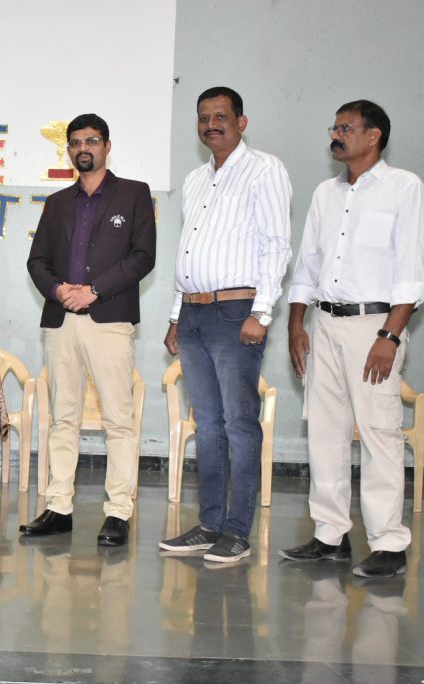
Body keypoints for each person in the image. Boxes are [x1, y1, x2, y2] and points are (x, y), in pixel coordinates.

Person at [280, 100, 424, 579]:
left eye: (346, 127)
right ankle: (330, 535)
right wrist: (296, 324)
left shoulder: (404, 187)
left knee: (379, 432)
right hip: (323, 325)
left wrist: (390, 335)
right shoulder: (325, 193)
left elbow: (412, 273)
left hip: (375, 326)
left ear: (374, 135)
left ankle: (388, 542)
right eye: (335, 126)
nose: (336, 134)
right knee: (324, 432)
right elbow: (307, 265)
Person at [159, 86, 292, 563]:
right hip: (193, 314)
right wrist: (176, 315)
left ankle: (237, 531)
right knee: (208, 425)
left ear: (241, 122)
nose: (210, 124)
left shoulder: (265, 170)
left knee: (239, 423)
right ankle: (209, 524)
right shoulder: (195, 179)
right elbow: (188, 253)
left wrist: (262, 312)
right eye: (203, 117)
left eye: (221, 116)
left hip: (237, 313)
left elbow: (276, 244)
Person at [22, 113, 156, 547]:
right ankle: (58, 507)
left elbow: (143, 257)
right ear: (68, 150)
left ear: (107, 146)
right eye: (76, 142)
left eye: (92, 141)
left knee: (119, 419)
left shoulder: (134, 194)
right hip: (61, 320)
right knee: (63, 418)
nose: (84, 148)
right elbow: (36, 261)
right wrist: (59, 290)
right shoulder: (58, 202)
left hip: (109, 319)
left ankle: (118, 512)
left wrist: (94, 291)